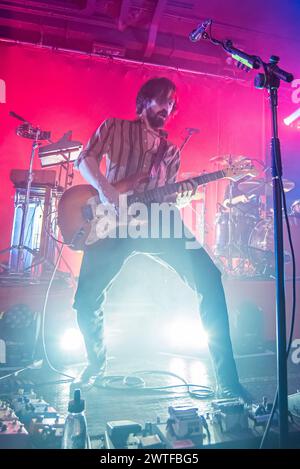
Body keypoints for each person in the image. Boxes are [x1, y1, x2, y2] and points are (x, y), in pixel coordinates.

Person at [73, 77, 250, 401]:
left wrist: (183, 194)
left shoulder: (170, 152)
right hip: (112, 223)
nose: (167, 107)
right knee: (85, 300)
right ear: (144, 101)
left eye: (172, 103)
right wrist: (106, 189)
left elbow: (167, 198)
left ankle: (228, 381)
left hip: (156, 222)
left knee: (209, 278)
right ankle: (96, 364)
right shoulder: (114, 127)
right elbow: (84, 159)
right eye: (162, 99)